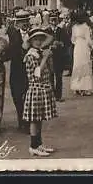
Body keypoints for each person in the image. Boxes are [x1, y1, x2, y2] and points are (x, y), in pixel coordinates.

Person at [23, 28, 58, 156]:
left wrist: (46, 56)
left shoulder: (39, 52)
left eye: (40, 39)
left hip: (43, 88)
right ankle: (33, 146)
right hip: (35, 89)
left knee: (39, 119)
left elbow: (50, 38)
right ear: (31, 41)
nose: (38, 42)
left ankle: (39, 143)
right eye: (35, 39)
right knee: (34, 119)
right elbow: (37, 74)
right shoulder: (30, 55)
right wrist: (45, 58)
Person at [6, 11, 31, 132]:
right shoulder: (13, 34)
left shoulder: (33, 34)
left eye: (26, 21)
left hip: (30, 71)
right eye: (21, 22)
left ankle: (26, 123)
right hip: (16, 70)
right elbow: (9, 52)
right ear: (17, 23)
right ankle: (21, 120)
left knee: (28, 97)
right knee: (16, 96)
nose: (24, 24)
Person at [69, 10, 93, 96]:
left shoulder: (74, 27)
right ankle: (85, 88)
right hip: (84, 47)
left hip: (77, 47)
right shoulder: (86, 27)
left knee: (77, 66)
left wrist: (77, 43)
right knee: (85, 66)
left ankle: (77, 87)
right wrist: (92, 46)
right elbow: (88, 40)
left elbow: (72, 40)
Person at [45, 13, 67, 102]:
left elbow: (66, 42)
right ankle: (52, 95)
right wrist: (50, 46)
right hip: (50, 56)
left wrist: (60, 44)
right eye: (52, 20)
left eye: (55, 20)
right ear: (49, 20)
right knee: (50, 76)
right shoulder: (46, 31)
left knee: (59, 77)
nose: (53, 22)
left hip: (59, 56)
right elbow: (44, 43)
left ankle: (58, 95)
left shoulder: (61, 30)